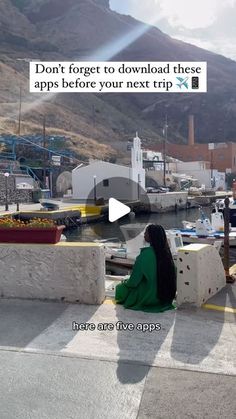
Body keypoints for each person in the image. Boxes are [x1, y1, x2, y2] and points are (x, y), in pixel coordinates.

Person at [115, 224, 176, 312]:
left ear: (151, 236)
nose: (144, 234)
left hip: (149, 296)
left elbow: (133, 282)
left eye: (146, 233)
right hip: (165, 298)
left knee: (120, 288)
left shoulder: (145, 255)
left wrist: (125, 283)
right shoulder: (166, 254)